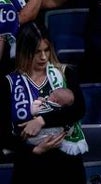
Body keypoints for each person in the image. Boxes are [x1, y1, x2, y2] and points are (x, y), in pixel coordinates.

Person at [0, 24, 87, 183]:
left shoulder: (65, 73)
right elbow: (3, 134)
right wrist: (35, 149)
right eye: (36, 52)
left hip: (67, 165)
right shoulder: (9, 83)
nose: (43, 57)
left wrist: (42, 121)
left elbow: (78, 110)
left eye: (46, 50)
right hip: (30, 164)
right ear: (23, 52)